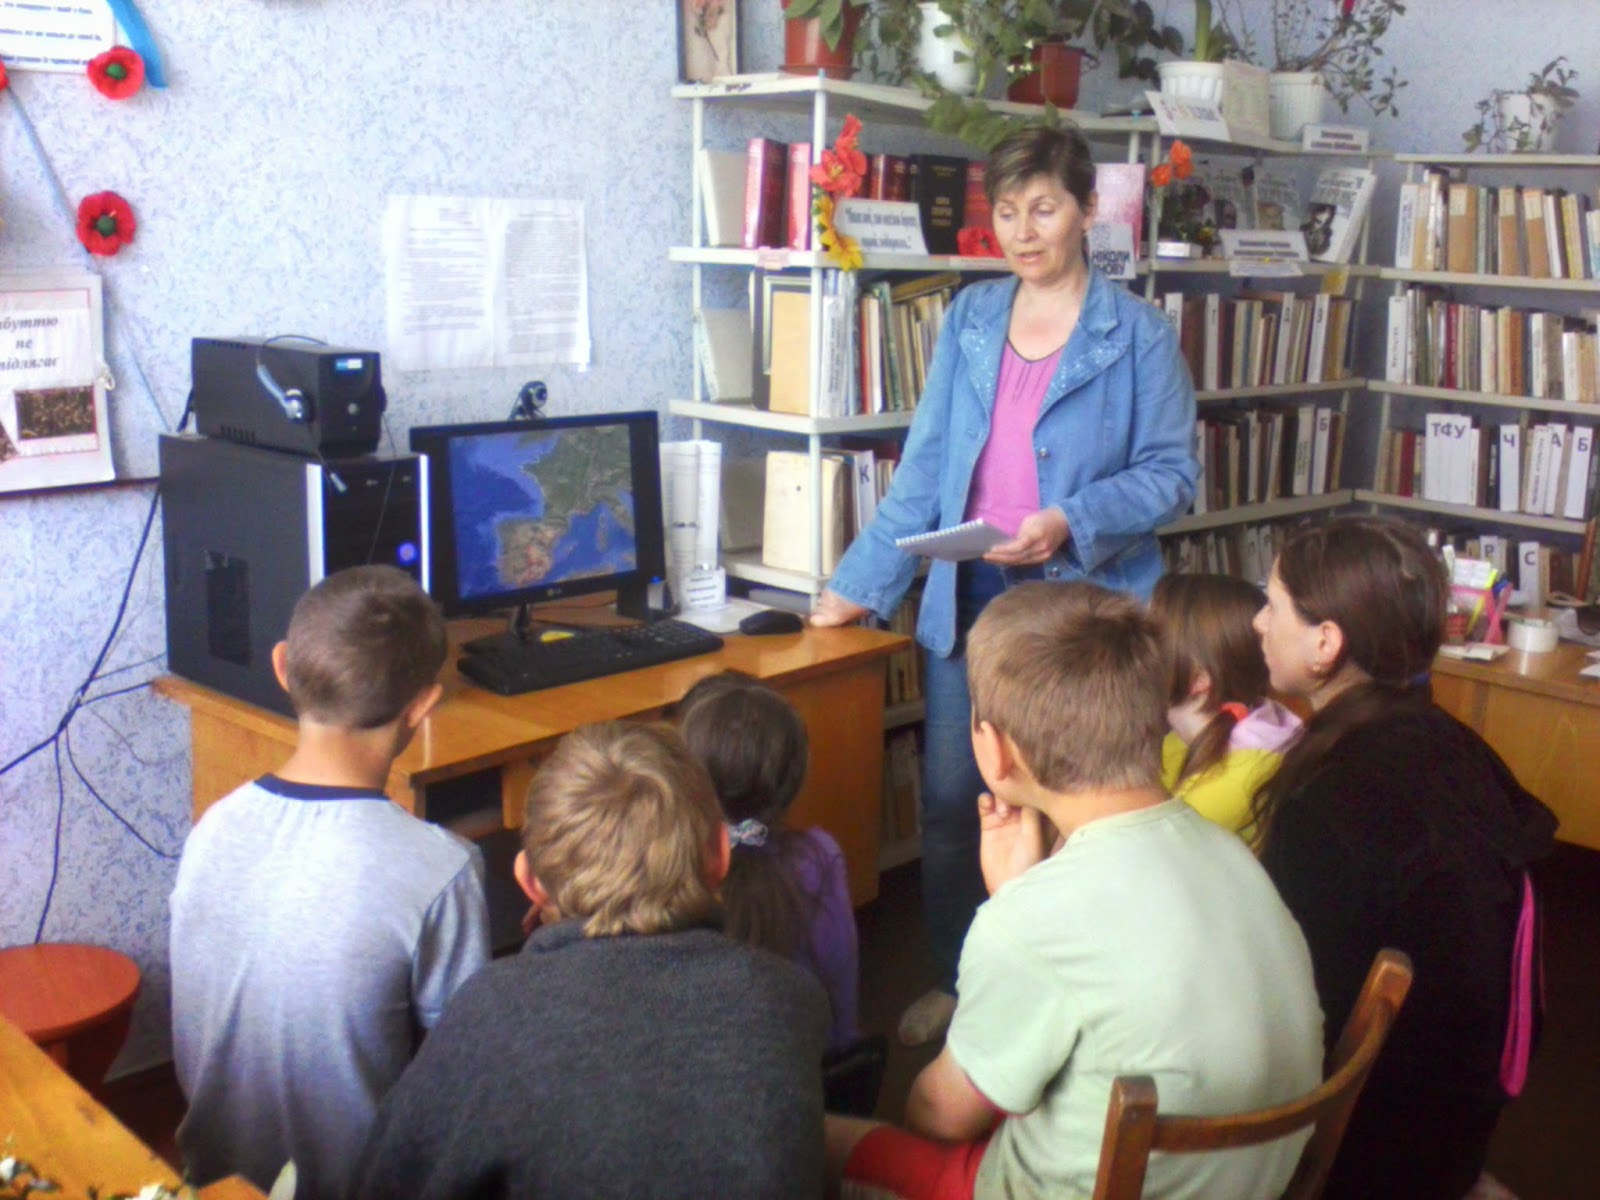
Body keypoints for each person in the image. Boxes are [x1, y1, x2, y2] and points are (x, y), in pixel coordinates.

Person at [810, 123, 1198, 1045]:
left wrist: (1071, 519)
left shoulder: (1138, 334)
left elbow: (1173, 474)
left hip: (1081, 605)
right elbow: (926, 468)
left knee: (1081, 810)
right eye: (1009, 212)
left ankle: (1080, 1000)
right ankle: (964, 982)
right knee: (959, 805)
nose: (1024, 232)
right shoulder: (973, 318)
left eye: (1045, 209)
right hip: (968, 596)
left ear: (1087, 210)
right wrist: (857, 585)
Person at [826, 581, 1323, 1200]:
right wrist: (1022, 895)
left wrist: (1013, 907)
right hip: (1257, 1183)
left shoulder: (1030, 923)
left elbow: (937, 1116)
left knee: (809, 1134)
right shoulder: (1232, 851)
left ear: (994, 750)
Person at [353, 720, 830, 1200]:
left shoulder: (491, 1010)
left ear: (529, 881)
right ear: (722, 856)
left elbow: (385, 1181)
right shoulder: (790, 997)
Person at [1251, 516, 1558, 1200]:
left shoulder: (1336, 800)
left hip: (1378, 1144)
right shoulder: (1450, 742)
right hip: (1459, 1116)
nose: (1258, 623)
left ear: (1326, 642)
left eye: (1272, 605)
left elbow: (1298, 1017)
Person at [169, 565, 490, 1200]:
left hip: (212, 1180)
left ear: (282, 667)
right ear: (423, 705)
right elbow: (463, 1076)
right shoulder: (442, 867)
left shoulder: (213, 827)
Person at [673, 670, 859, 1051]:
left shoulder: (671, 869)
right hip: (811, 1065)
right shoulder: (820, 855)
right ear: (796, 776)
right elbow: (840, 979)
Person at [1150, 571, 1301, 839]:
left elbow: (1152, 851)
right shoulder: (1181, 743)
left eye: (1149, 641)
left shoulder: (1237, 778)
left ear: (1198, 678)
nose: (1134, 654)